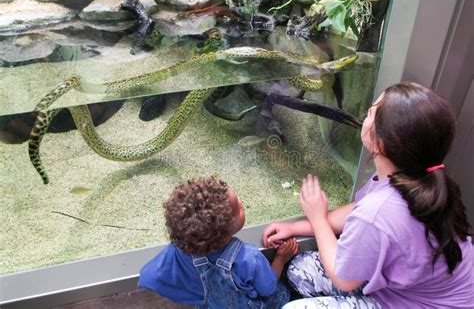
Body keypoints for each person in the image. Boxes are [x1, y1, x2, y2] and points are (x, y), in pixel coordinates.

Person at [262, 82, 473, 308]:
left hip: (422, 304)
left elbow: (344, 280)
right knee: (298, 271)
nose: (365, 115)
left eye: (372, 112)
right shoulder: (415, 177)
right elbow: (356, 210)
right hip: (407, 286)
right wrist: (295, 228)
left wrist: (317, 217)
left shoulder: (379, 211)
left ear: (379, 143)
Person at [139, 176, 299, 308]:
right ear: (224, 234)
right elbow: (268, 288)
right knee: (282, 292)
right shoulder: (248, 257)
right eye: (238, 208)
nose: (242, 204)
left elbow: (149, 276)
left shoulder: (177, 252)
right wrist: (280, 259)